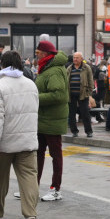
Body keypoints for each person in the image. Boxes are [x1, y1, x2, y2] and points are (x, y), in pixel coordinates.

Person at [0, 50, 40, 219]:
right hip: (28, 140)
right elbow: (35, 113)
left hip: (5, 142)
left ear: (2, 64)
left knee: (0, 178)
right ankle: (30, 212)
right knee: (29, 177)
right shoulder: (31, 84)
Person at [33, 41, 69, 201]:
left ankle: (56, 188)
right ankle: (32, 187)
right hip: (43, 118)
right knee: (38, 154)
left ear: (46, 54)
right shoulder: (45, 68)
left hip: (53, 119)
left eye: (38, 52)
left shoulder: (53, 70)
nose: (36, 54)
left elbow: (59, 95)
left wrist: (35, 98)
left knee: (55, 155)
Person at [68, 51, 95, 138]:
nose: (75, 59)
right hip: (71, 94)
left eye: (77, 58)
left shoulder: (86, 68)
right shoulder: (69, 68)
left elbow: (90, 80)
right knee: (71, 114)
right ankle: (74, 131)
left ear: (81, 59)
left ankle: (89, 131)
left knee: (85, 113)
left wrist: (90, 93)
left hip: (83, 93)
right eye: (74, 58)